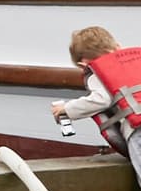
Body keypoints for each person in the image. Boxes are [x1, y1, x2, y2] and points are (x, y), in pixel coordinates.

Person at [54, 25, 141, 177]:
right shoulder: (135, 62)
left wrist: (66, 109)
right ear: (118, 47)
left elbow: (101, 100)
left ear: (84, 64)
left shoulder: (99, 72)